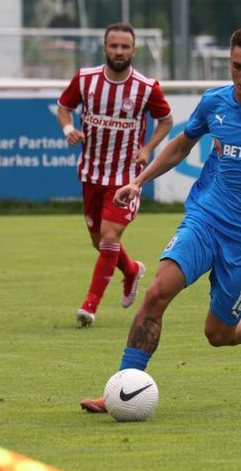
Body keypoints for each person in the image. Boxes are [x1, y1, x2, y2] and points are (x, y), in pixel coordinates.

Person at [79, 27, 241, 413]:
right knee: (156, 293)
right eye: (236, 67)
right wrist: (139, 181)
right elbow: (183, 143)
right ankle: (120, 389)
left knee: (217, 334)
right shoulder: (214, 101)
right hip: (205, 220)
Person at [57, 23, 173, 327]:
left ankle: (89, 306)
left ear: (134, 50)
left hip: (126, 178)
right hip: (91, 174)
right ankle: (132, 270)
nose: (119, 52)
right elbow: (64, 107)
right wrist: (69, 129)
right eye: (114, 46)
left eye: (125, 47)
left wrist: (148, 149)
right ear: (105, 48)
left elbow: (166, 120)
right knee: (99, 241)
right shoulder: (85, 80)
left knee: (109, 236)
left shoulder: (146, 87)